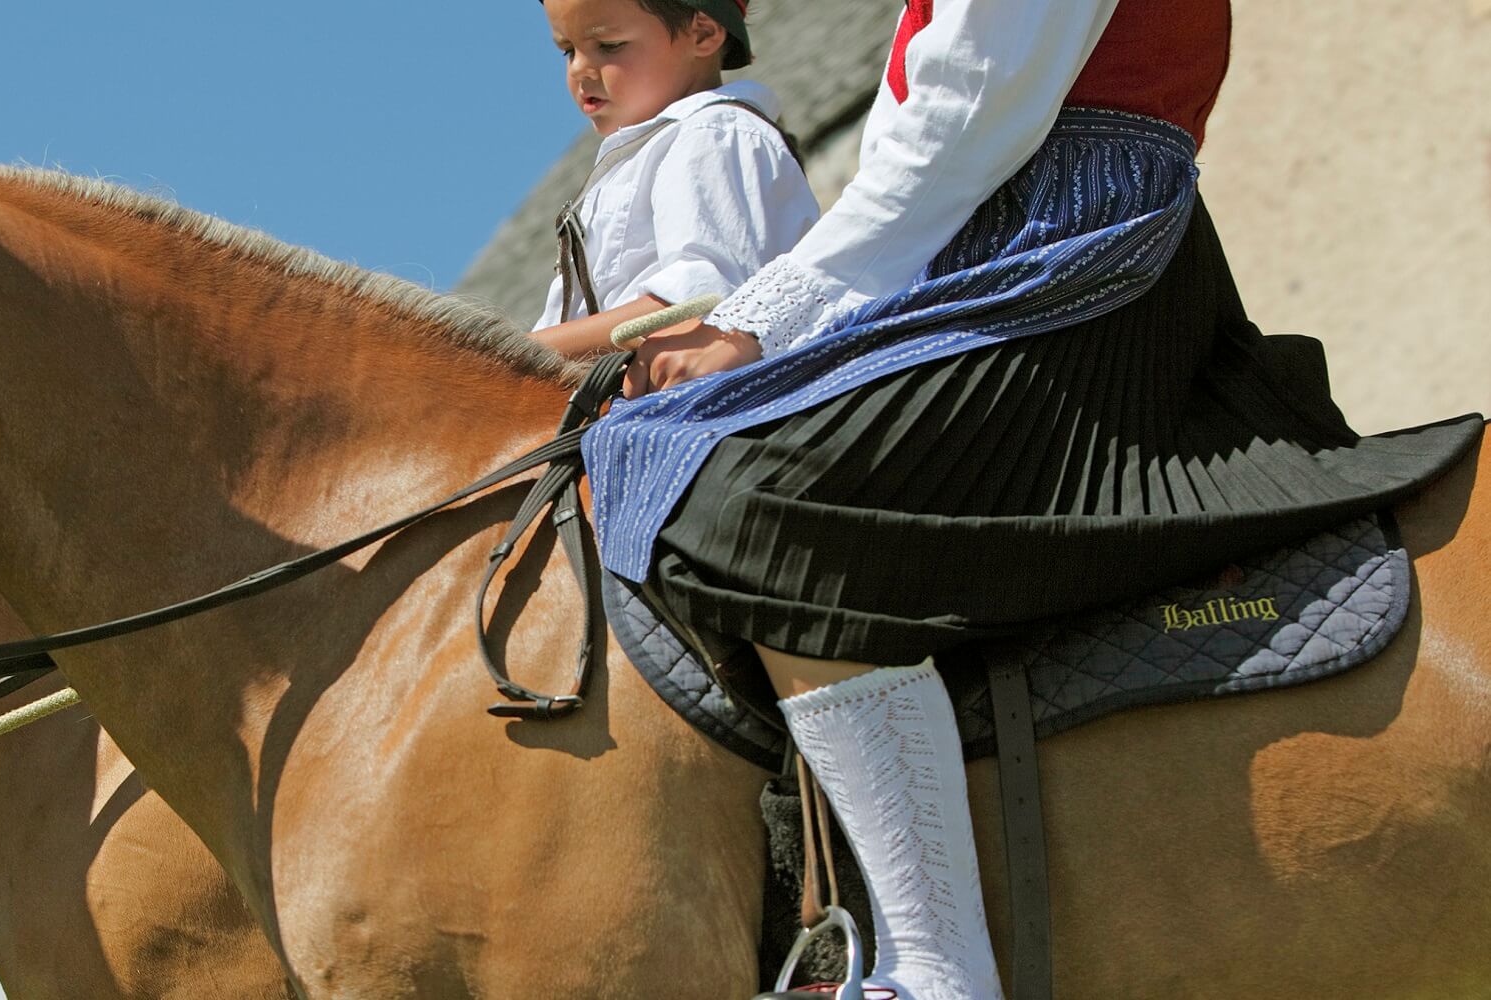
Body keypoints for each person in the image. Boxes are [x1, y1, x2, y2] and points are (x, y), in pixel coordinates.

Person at [578, 1, 1486, 998]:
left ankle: (934, 966)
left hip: (1067, 251)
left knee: (745, 495)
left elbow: (971, 106)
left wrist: (764, 316)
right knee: (671, 447)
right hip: (991, 250)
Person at [528, 0, 816, 359]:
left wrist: (521, 354)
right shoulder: (647, 153)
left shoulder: (712, 134)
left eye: (609, 46)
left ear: (703, 33)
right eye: (569, 51)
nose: (581, 69)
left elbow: (700, 304)